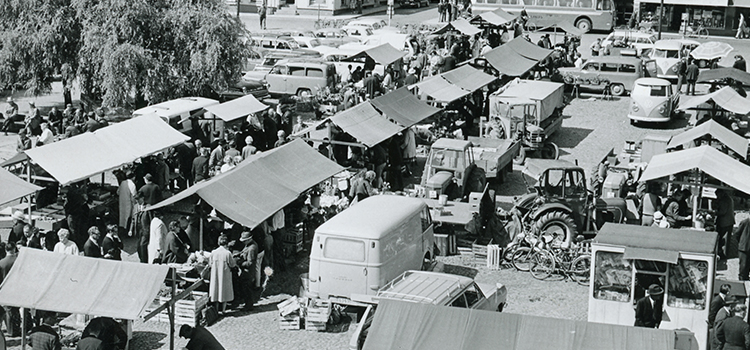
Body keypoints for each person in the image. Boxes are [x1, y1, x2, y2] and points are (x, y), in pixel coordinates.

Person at [208, 235, 236, 314]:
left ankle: (216, 309)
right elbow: (232, 264)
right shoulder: (227, 253)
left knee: (216, 290)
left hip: (215, 273)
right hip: (225, 274)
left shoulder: (213, 252)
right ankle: (223, 310)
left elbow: (210, 264)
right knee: (224, 290)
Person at [236, 231, 259, 311]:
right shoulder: (248, 245)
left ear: (249, 239)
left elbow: (250, 263)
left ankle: (249, 306)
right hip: (246, 271)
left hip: (248, 272)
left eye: (244, 240)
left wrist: (239, 263)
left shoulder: (252, 248)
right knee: (245, 288)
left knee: (247, 289)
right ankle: (248, 304)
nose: (243, 242)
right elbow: (243, 252)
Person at [715, 189, 735, 261]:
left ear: (720, 194)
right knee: (726, 239)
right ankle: (723, 253)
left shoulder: (725, 200)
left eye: (717, 195)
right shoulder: (728, 198)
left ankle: (723, 255)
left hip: (725, 222)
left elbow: (722, 212)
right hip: (728, 221)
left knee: (724, 239)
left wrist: (714, 212)